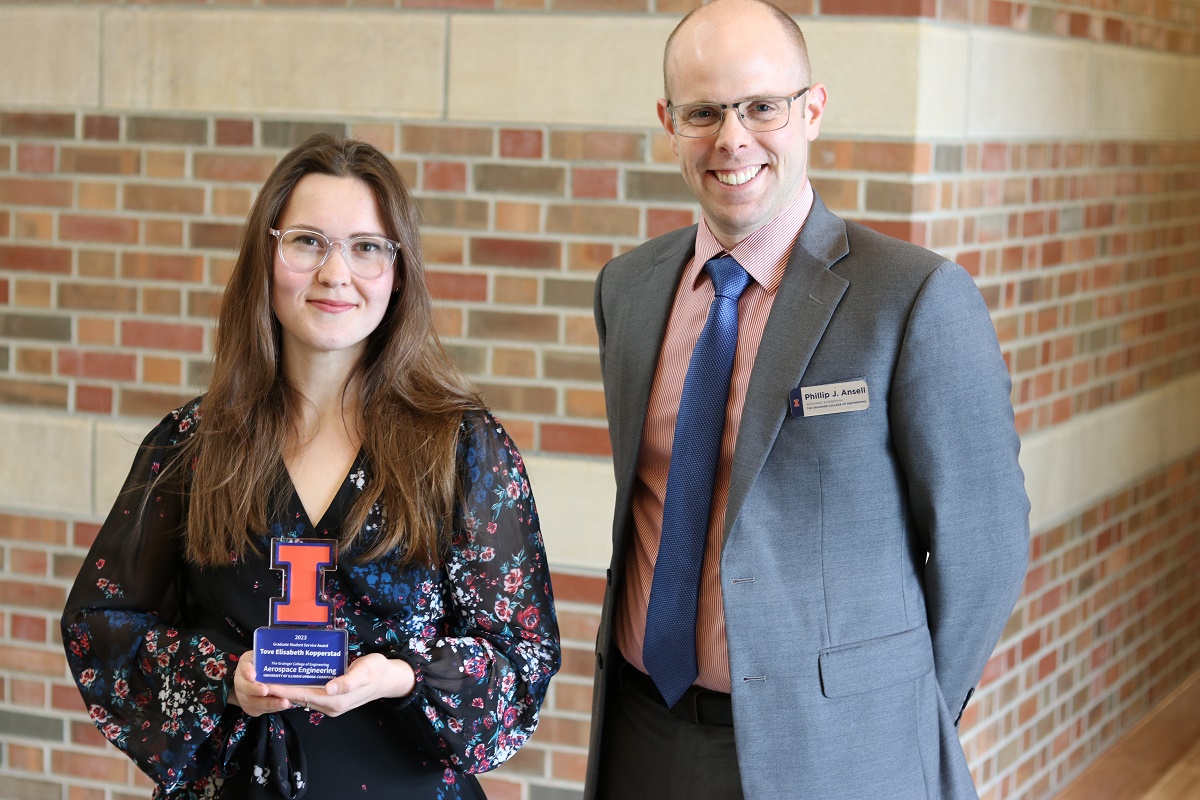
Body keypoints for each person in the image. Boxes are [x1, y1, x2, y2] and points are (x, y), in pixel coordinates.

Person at [586, 1, 1030, 798]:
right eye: (703, 112)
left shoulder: (914, 296)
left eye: (762, 106)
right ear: (669, 121)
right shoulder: (628, 289)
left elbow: (984, 544)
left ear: (812, 110)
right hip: (641, 731)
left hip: (835, 755)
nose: (733, 138)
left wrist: (904, 717)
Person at [62, 134, 560, 799]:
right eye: (307, 241)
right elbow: (103, 624)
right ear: (265, 257)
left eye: (365, 247)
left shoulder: (461, 449)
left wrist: (404, 676)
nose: (335, 273)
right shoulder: (193, 442)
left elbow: (521, 658)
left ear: (399, 271)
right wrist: (223, 678)